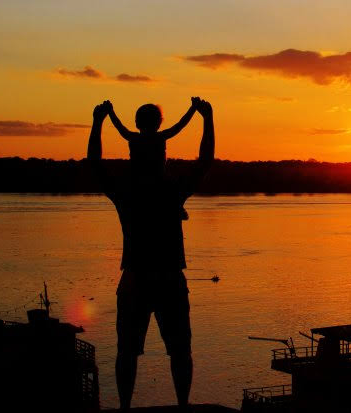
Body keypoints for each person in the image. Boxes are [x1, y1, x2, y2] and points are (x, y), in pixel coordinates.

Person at [87, 97, 215, 411]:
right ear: (162, 156)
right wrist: (207, 119)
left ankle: (126, 407)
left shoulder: (127, 191)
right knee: (180, 351)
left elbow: (95, 164)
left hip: (135, 279)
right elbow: (204, 161)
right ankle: (182, 405)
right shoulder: (172, 191)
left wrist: (99, 120)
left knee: (127, 351)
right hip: (168, 279)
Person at [103, 98, 200, 176]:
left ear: (137, 124)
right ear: (159, 123)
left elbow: (119, 126)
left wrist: (110, 112)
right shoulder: (160, 137)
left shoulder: (133, 138)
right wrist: (193, 109)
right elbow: (180, 125)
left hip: (137, 180)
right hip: (158, 180)